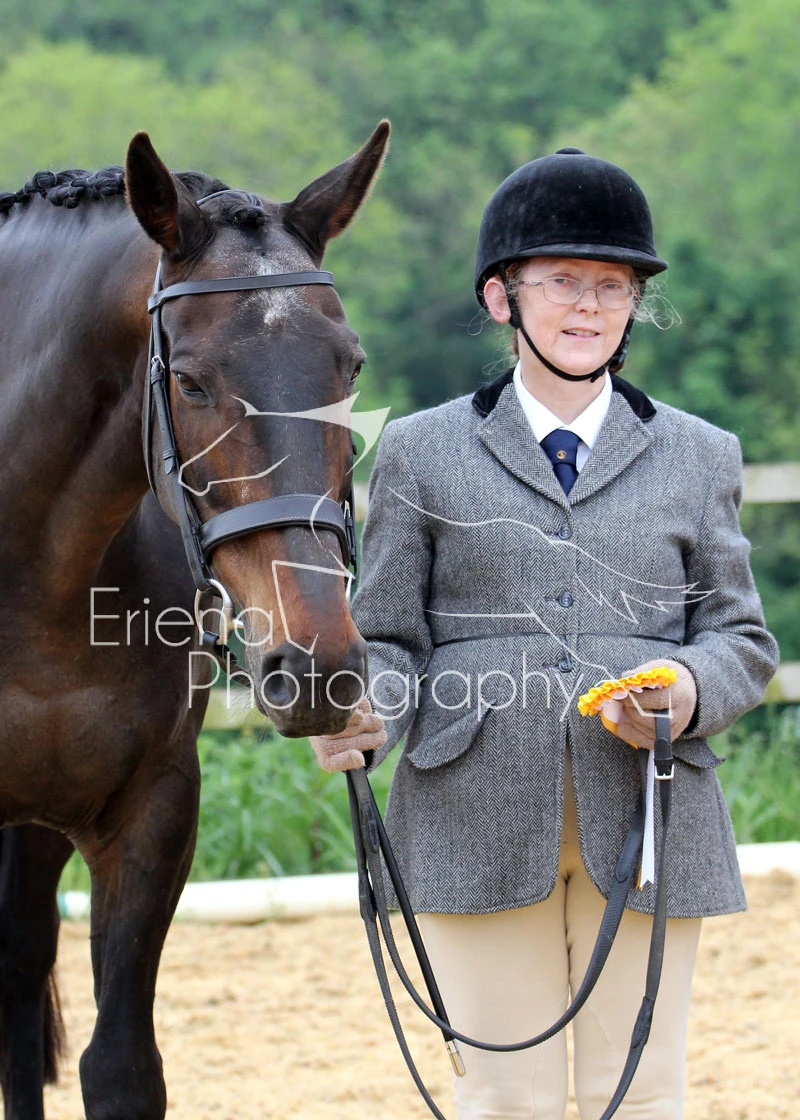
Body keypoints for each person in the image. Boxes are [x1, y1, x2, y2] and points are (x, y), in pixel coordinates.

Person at [309, 148, 779, 1120]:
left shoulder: (700, 455)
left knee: (638, 1096)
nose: (588, 306)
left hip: (649, 809)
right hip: (469, 814)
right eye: (562, 281)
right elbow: (389, 639)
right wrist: (362, 709)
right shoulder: (420, 452)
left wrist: (689, 690)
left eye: (612, 286)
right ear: (501, 297)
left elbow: (738, 634)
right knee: (503, 1098)